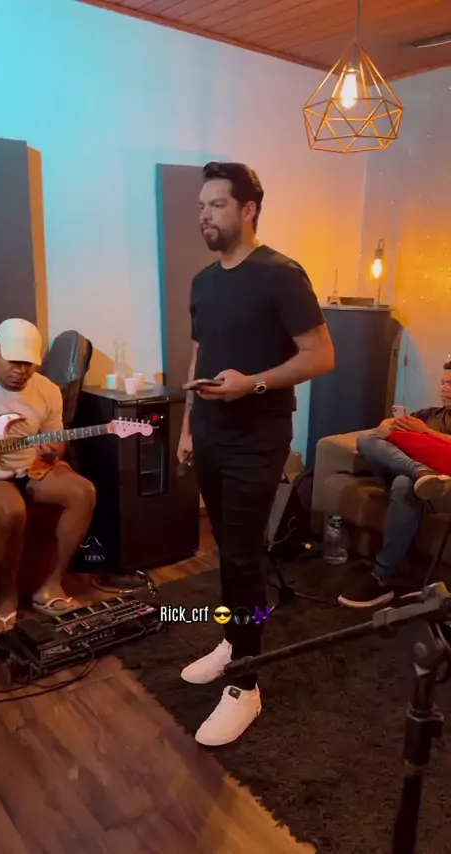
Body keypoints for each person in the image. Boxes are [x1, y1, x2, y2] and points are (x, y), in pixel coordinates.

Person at [177, 161, 334, 746]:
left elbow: (321, 355)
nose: (204, 216)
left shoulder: (281, 275)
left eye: (216, 205)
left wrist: (254, 384)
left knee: (243, 556)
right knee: (228, 552)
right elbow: (199, 355)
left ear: (248, 210)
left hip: (258, 437)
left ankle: (246, 684)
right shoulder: (202, 282)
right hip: (210, 432)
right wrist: (188, 427)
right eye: (201, 207)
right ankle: (234, 639)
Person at [0, 318, 96, 635]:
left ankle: (50, 586)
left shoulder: (48, 390)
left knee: (83, 492)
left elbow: (56, 440)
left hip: (28, 466)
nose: (21, 371)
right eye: (14, 362)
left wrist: (55, 450)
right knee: (10, 509)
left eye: (28, 364)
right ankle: (6, 596)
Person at [338, 360, 451, 609]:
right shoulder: (430, 414)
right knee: (367, 439)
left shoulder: (426, 424)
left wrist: (426, 433)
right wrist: (389, 425)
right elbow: (381, 432)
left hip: (441, 489)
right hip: (410, 472)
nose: (444, 389)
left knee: (404, 484)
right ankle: (418, 471)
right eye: (443, 383)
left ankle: (382, 575)